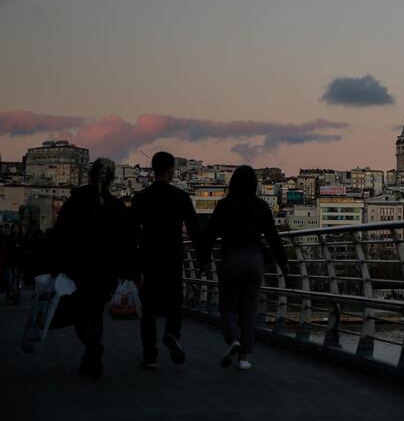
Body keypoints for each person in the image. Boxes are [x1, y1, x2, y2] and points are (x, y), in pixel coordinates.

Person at [202, 165, 288, 370]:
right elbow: (273, 237)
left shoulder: (224, 205)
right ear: (255, 184)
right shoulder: (261, 206)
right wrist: (283, 262)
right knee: (249, 310)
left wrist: (203, 260)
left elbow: (209, 235)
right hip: (255, 260)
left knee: (228, 306)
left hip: (231, 257)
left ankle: (233, 339)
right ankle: (244, 359)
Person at [52, 158, 128, 379]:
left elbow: (60, 234)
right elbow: (126, 242)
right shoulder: (116, 207)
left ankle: (93, 349)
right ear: (113, 179)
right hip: (107, 271)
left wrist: (57, 265)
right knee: (95, 313)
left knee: (82, 313)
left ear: (90, 175)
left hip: (79, 268)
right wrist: (129, 271)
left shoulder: (76, 202)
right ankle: (91, 356)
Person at [130, 152, 201, 368]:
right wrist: (204, 257)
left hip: (148, 256)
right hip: (174, 255)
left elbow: (130, 233)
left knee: (148, 308)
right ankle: (172, 333)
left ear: (153, 170)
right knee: (174, 300)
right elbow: (194, 230)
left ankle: (150, 355)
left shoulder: (141, 198)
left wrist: (131, 264)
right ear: (170, 169)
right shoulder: (181, 197)